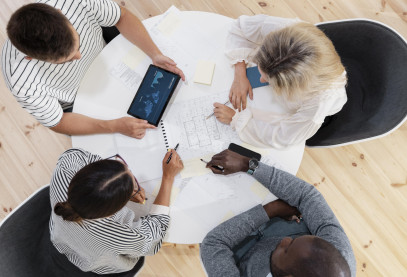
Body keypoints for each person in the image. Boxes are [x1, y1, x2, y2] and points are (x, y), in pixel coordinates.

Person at [2, 0, 185, 139]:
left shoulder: (75, 2)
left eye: (77, 45)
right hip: (78, 100)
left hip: (107, 52)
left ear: (61, 13)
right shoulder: (20, 82)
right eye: (64, 61)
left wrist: (154, 54)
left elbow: (121, 16)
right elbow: (58, 121)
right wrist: (113, 126)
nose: (79, 57)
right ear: (30, 57)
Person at [200, 149, 356, 277]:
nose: (285, 240)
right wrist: (247, 164)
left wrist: (271, 210)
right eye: (295, 240)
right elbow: (306, 195)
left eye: (287, 249)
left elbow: (213, 244)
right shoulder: (338, 259)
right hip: (286, 220)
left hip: (236, 251)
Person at [212, 15, 347, 149]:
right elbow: (240, 28)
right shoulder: (283, 31)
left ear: (293, 87)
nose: (261, 80)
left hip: (300, 109)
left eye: (268, 80)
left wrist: (235, 119)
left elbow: (283, 138)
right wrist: (240, 74)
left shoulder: (319, 101)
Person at [49, 148, 183, 275]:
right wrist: (168, 177)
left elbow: (81, 157)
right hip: (97, 263)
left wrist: (120, 187)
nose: (130, 173)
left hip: (60, 235)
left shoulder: (66, 167)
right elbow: (155, 234)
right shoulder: (119, 231)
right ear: (115, 210)